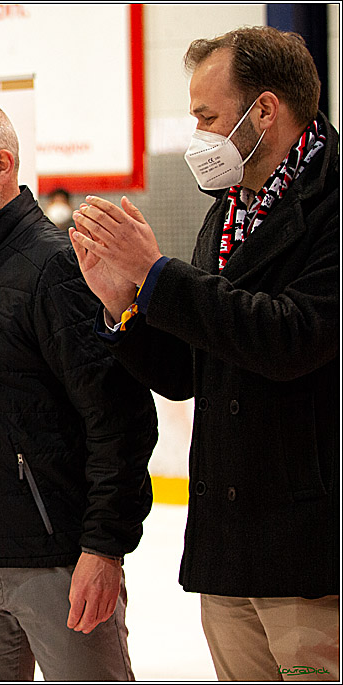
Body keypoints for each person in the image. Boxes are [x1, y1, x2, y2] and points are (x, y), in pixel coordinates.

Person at [69, 26, 339, 681]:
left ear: (265, 111)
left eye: (208, 116)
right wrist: (127, 305)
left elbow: (291, 337)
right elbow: (192, 369)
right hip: (230, 546)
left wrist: (158, 275)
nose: (199, 134)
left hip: (310, 550)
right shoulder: (230, 213)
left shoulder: (331, 200)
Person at [0, 99, 158, 681]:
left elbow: (119, 418)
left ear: (0, 167)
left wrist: (103, 548)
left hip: (54, 564)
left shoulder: (54, 268)